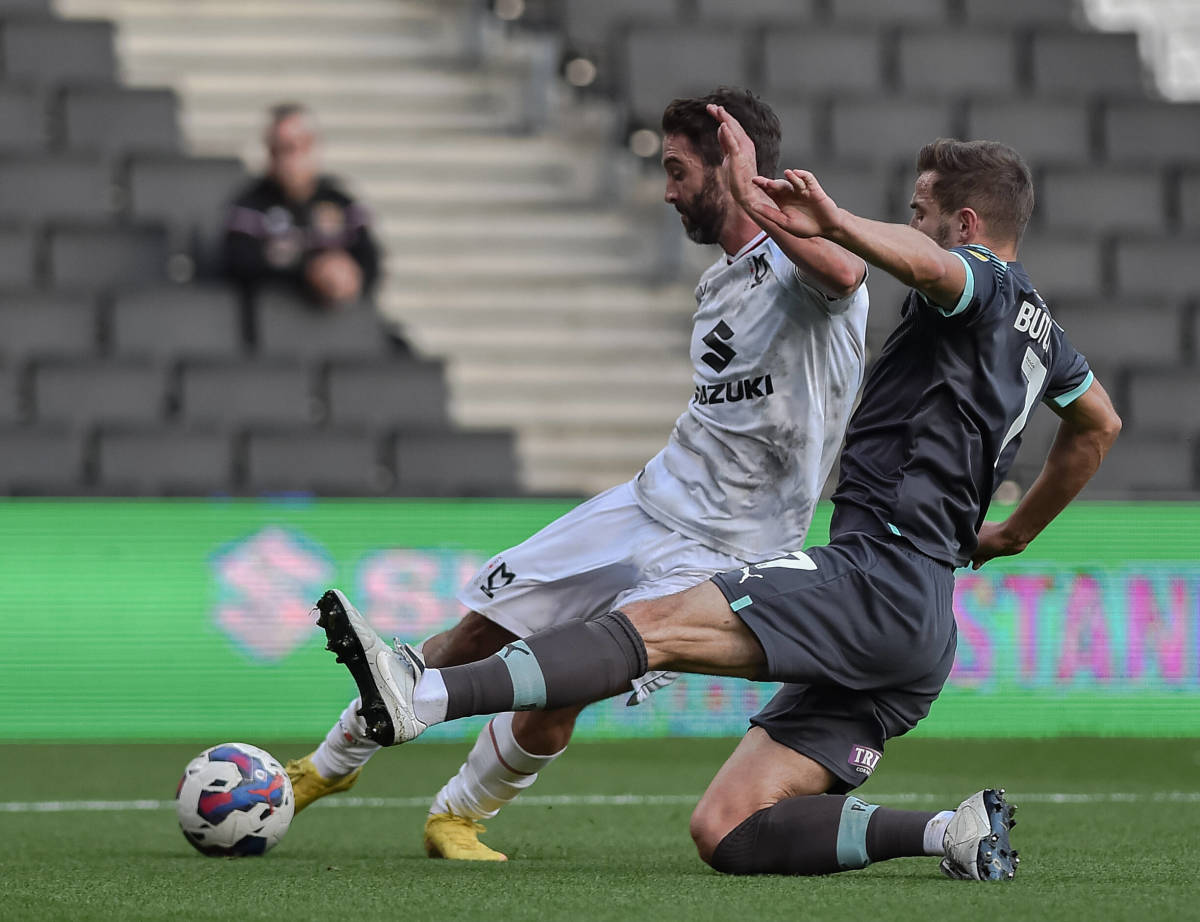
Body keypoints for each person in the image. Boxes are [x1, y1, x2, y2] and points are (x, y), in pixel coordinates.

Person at [314, 110, 1122, 881]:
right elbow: (1097, 424)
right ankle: (952, 832)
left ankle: (420, 693)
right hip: (921, 621)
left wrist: (835, 220)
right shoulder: (1046, 332)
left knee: (649, 627)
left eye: (921, 215)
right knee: (728, 828)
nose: (913, 227)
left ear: (969, 224)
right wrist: (1011, 534)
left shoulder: (978, 279)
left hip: (881, 573)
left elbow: (930, 268)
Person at [287, 87, 870, 861]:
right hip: (646, 502)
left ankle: (456, 816)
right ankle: (325, 768)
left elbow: (849, 274)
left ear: (732, 167)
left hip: (727, 549)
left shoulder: (803, 269)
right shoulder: (719, 279)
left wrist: (755, 188)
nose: (666, 190)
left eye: (678, 170)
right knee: (480, 631)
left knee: (563, 681)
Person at [223, 103, 381, 309]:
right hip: (274, 323)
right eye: (283, 148)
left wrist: (348, 274)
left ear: (315, 146)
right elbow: (238, 266)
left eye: (301, 145)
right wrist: (308, 273)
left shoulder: (342, 202)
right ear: (269, 152)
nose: (293, 157)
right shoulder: (250, 205)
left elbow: (371, 263)